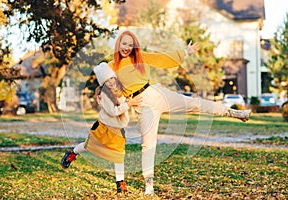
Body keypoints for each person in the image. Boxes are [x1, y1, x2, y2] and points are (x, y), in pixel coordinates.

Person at [106, 30, 251, 195]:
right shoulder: (111, 66)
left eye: (130, 45)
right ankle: (149, 185)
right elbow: (111, 90)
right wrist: (126, 102)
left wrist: (185, 52)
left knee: (195, 104)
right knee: (148, 144)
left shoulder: (141, 57)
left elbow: (163, 59)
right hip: (142, 106)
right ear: (118, 44)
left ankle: (236, 114)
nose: (127, 48)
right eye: (124, 44)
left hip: (157, 94)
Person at [61, 62, 142, 193]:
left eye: (111, 78)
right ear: (102, 83)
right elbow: (114, 112)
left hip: (117, 130)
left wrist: (131, 100)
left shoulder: (121, 90)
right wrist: (129, 104)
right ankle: (72, 153)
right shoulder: (104, 94)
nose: (110, 82)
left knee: (119, 155)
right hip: (104, 127)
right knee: (88, 145)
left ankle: (120, 183)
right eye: (106, 81)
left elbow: (126, 101)